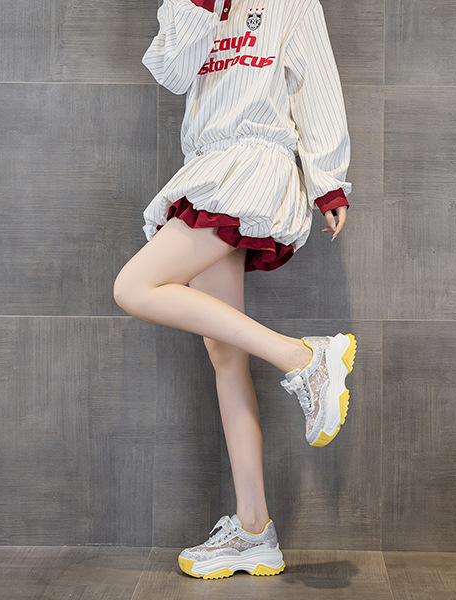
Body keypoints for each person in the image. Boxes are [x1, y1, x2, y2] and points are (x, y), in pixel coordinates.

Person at [113, 0, 355, 579]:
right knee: (224, 355)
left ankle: (306, 359)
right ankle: (254, 529)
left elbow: (317, 81)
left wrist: (329, 182)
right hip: (208, 166)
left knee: (134, 286)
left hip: (254, 161)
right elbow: (172, 72)